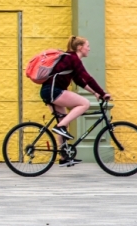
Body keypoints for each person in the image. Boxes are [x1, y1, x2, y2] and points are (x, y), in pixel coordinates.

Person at [40, 35, 111, 166]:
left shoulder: (70, 59)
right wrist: (103, 93)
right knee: (84, 103)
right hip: (53, 91)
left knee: (64, 122)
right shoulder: (72, 58)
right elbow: (88, 78)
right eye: (87, 46)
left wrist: (95, 92)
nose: (89, 49)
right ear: (80, 48)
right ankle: (60, 127)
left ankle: (63, 157)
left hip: (49, 91)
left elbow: (80, 81)